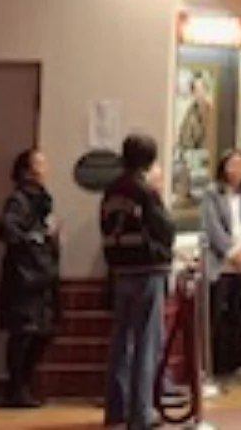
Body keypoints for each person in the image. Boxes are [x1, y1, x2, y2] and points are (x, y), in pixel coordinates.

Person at [101, 133, 175, 430]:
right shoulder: (145, 191)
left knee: (121, 340)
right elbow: (165, 228)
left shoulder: (111, 191)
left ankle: (115, 408)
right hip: (147, 269)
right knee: (147, 341)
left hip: (119, 268)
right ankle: (141, 413)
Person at [0, 149, 61, 409]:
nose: (45, 168)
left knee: (41, 333)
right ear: (26, 169)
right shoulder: (18, 200)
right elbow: (8, 230)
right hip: (25, 278)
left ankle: (23, 384)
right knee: (23, 334)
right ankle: (16, 387)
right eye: (39, 163)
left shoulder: (42, 199)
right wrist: (40, 237)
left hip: (41, 275)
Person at [201, 148, 241, 381]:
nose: (236, 170)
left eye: (240, 165)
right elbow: (212, 226)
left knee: (240, 312)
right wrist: (230, 251)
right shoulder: (212, 193)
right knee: (217, 314)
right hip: (220, 262)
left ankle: (237, 362)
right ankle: (214, 366)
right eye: (232, 165)